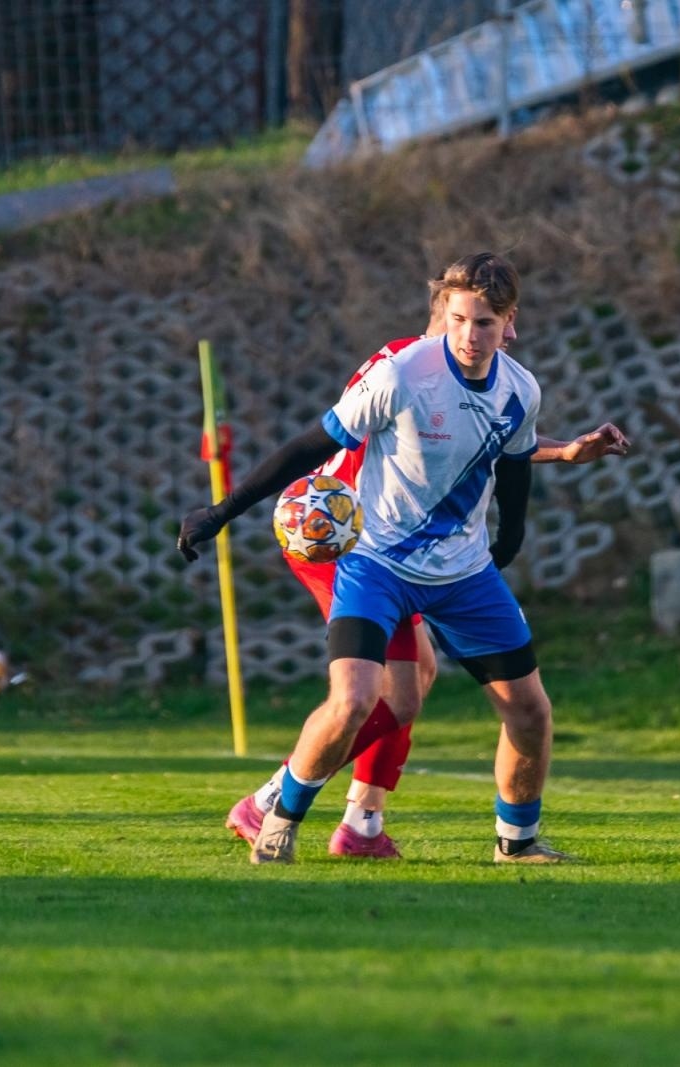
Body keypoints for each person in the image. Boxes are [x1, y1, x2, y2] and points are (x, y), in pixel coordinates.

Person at [182, 253, 570, 864]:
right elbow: (311, 444)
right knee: (358, 699)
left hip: (462, 574)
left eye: (485, 323)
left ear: (509, 323)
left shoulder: (520, 389)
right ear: (443, 312)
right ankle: (278, 819)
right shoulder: (401, 372)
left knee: (526, 709)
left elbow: (514, 460)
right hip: (374, 561)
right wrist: (222, 511)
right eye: (460, 319)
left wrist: (512, 536)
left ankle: (513, 843)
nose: (470, 335)